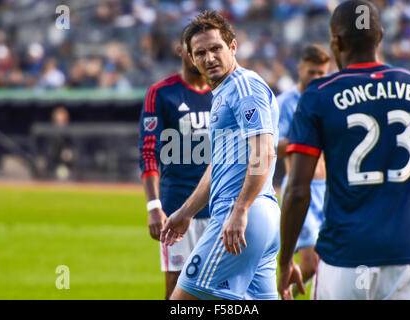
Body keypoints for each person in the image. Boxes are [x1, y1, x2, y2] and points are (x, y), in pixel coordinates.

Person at [278, 0, 410, 300]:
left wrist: (286, 259)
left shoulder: (319, 95)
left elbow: (298, 191)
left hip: (345, 258)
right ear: (380, 37)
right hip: (408, 258)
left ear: (335, 41)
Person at [160, 10, 280, 300]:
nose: (209, 58)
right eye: (200, 52)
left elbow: (263, 152)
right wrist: (186, 212)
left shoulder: (243, 86)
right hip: (259, 217)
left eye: (216, 48)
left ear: (233, 47)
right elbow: (219, 166)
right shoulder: (223, 94)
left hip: (239, 213)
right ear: (191, 58)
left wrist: (239, 210)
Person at [138, 27, 212, 299]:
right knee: (177, 286)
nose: (200, 57)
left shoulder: (226, 92)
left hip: (221, 207)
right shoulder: (161, 93)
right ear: (182, 50)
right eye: (195, 49)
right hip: (178, 207)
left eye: (208, 50)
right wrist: (154, 206)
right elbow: (148, 151)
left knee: (224, 289)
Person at [277, 44, 330, 293]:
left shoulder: (329, 98)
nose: (317, 78)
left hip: (329, 190)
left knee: (327, 265)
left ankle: (287, 294)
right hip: (301, 186)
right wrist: (306, 139)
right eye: (312, 72)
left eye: (322, 73)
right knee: (310, 263)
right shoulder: (286, 102)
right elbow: (271, 146)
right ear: (300, 69)